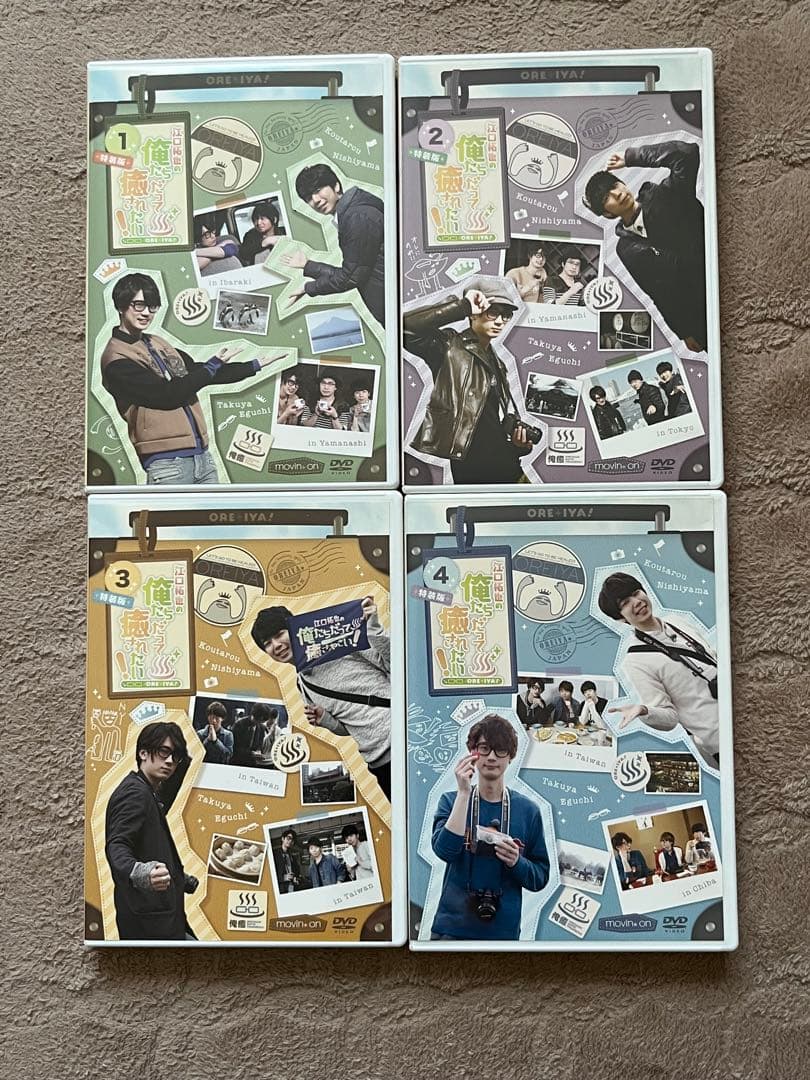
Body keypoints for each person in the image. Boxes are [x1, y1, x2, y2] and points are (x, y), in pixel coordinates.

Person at [100, 273, 274, 485]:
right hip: (166, 464)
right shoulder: (116, 358)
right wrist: (212, 366)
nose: (146, 313)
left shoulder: (157, 342)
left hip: (202, 457)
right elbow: (167, 394)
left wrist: (254, 365)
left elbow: (197, 372)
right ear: (121, 306)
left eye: (152, 306)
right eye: (139, 305)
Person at [251, 598, 391, 798]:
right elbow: (349, 727)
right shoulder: (302, 686)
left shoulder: (341, 640)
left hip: (406, 737)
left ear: (296, 628)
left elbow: (395, 665)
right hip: (379, 763)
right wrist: (326, 719)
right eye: (267, 644)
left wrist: (373, 628)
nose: (276, 645)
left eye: (279, 634)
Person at [431, 714, 549, 940]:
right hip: (451, 930)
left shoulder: (528, 811)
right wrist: (464, 793)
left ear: (511, 756)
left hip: (503, 933)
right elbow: (444, 852)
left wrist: (516, 861)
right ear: (472, 752)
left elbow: (540, 878)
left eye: (501, 750)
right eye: (484, 748)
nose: (492, 757)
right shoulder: (451, 801)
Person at [403, 280, 534, 484]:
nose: (500, 321)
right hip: (471, 469)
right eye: (493, 312)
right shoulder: (448, 346)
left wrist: (516, 447)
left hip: (508, 467)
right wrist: (462, 306)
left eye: (506, 315)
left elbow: (489, 425)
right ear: (474, 313)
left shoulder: (497, 362)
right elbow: (405, 328)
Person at [583, 141, 707, 351]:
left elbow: (686, 154)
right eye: (606, 197)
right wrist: (684, 331)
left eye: (614, 186)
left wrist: (631, 157)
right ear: (607, 213)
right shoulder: (625, 249)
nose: (616, 194)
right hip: (698, 317)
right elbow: (657, 292)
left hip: (724, 277)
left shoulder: (667, 195)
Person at [598, 572, 719, 768]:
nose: (637, 602)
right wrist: (643, 710)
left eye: (636, 593)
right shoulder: (634, 661)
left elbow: (712, 657)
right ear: (620, 618)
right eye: (626, 603)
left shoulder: (676, 621)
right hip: (717, 739)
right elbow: (669, 719)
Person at [104, 722, 198, 940]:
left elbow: (147, 844)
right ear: (143, 753)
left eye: (175, 756)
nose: (170, 761)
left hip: (161, 919)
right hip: (149, 927)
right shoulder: (135, 793)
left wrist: (178, 878)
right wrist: (142, 872)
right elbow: (117, 845)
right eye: (164, 751)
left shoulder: (148, 790)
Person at [284, 163, 386, 325]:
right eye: (309, 198)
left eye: (318, 190)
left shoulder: (357, 217)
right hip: (394, 309)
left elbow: (350, 278)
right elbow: (353, 271)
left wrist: (308, 288)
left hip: (400, 310)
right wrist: (308, 266)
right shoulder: (352, 212)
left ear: (336, 186)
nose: (315, 200)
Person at [238, 201, 283, 266]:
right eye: (256, 219)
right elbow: (244, 254)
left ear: (274, 219)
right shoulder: (250, 235)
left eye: (262, 219)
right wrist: (264, 242)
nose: (259, 222)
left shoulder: (283, 232)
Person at [230, 702, 272, 767]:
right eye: (261, 720)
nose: (262, 722)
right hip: (237, 762)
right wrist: (251, 754)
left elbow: (259, 745)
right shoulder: (239, 725)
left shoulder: (261, 728)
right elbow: (234, 747)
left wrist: (258, 752)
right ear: (259, 717)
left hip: (252, 763)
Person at [273, 828, 302, 893]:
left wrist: (296, 878)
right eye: (288, 838)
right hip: (281, 889)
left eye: (292, 840)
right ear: (283, 839)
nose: (290, 841)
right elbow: (270, 873)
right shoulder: (274, 854)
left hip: (292, 888)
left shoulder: (292, 856)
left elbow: (297, 872)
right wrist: (283, 877)